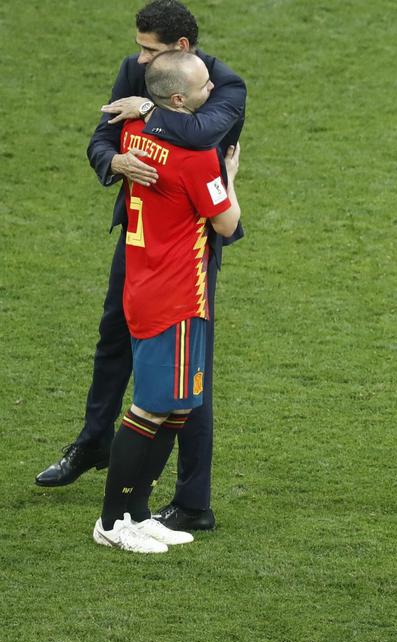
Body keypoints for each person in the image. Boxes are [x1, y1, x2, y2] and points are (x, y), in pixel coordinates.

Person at [38, 0, 246, 533]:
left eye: (148, 49)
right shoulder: (142, 75)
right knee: (120, 351)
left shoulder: (225, 87)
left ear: (178, 50)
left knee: (189, 383)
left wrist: (150, 115)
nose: (137, 58)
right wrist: (114, 161)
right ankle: (101, 464)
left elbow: (202, 132)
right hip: (148, 248)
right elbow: (104, 138)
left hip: (184, 256)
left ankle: (189, 501)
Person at [92, 50, 241, 553]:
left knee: (177, 407)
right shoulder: (200, 157)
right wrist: (231, 177)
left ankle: (138, 511)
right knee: (152, 410)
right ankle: (113, 521)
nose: (213, 93)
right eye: (204, 89)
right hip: (176, 296)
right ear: (178, 99)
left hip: (146, 284)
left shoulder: (134, 130)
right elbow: (226, 224)